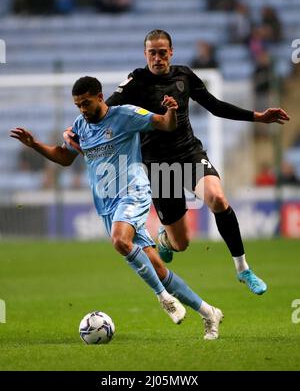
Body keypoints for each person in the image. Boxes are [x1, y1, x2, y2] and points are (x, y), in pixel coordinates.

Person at [64, 30, 290, 296]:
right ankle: (164, 240)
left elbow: (215, 106)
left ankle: (243, 269)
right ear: (145, 54)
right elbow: (104, 110)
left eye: (162, 52)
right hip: (159, 168)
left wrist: (257, 116)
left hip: (189, 154)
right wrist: (74, 130)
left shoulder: (184, 75)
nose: (157, 58)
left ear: (171, 52)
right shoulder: (136, 81)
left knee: (217, 199)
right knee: (180, 243)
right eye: (152, 53)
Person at [11, 76, 224, 340]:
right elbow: (65, 158)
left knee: (119, 241)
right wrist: (35, 145)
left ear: (100, 97)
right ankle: (208, 312)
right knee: (156, 267)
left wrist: (171, 111)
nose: (82, 110)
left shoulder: (126, 115)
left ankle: (163, 298)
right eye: (78, 105)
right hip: (107, 206)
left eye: (86, 103)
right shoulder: (81, 125)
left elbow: (166, 125)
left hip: (133, 192)